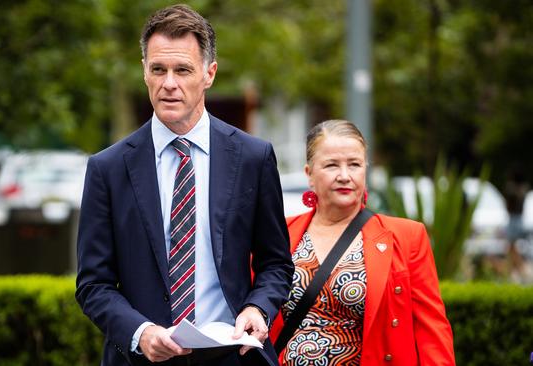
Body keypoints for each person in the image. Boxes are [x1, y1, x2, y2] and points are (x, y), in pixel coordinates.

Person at [75, 4, 293, 366]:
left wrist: (259, 308)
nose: (169, 83)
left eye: (183, 70)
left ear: (209, 74)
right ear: (144, 73)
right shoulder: (107, 168)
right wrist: (140, 332)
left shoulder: (253, 157)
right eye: (158, 70)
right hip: (141, 359)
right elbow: (93, 284)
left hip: (233, 356)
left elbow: (276, 264)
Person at [269, 120, 455, 365]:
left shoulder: (407, 236)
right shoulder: (279, 233)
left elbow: (432, 331)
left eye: (354, 165)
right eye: (331, 165)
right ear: (309, 174)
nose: (344, 176)